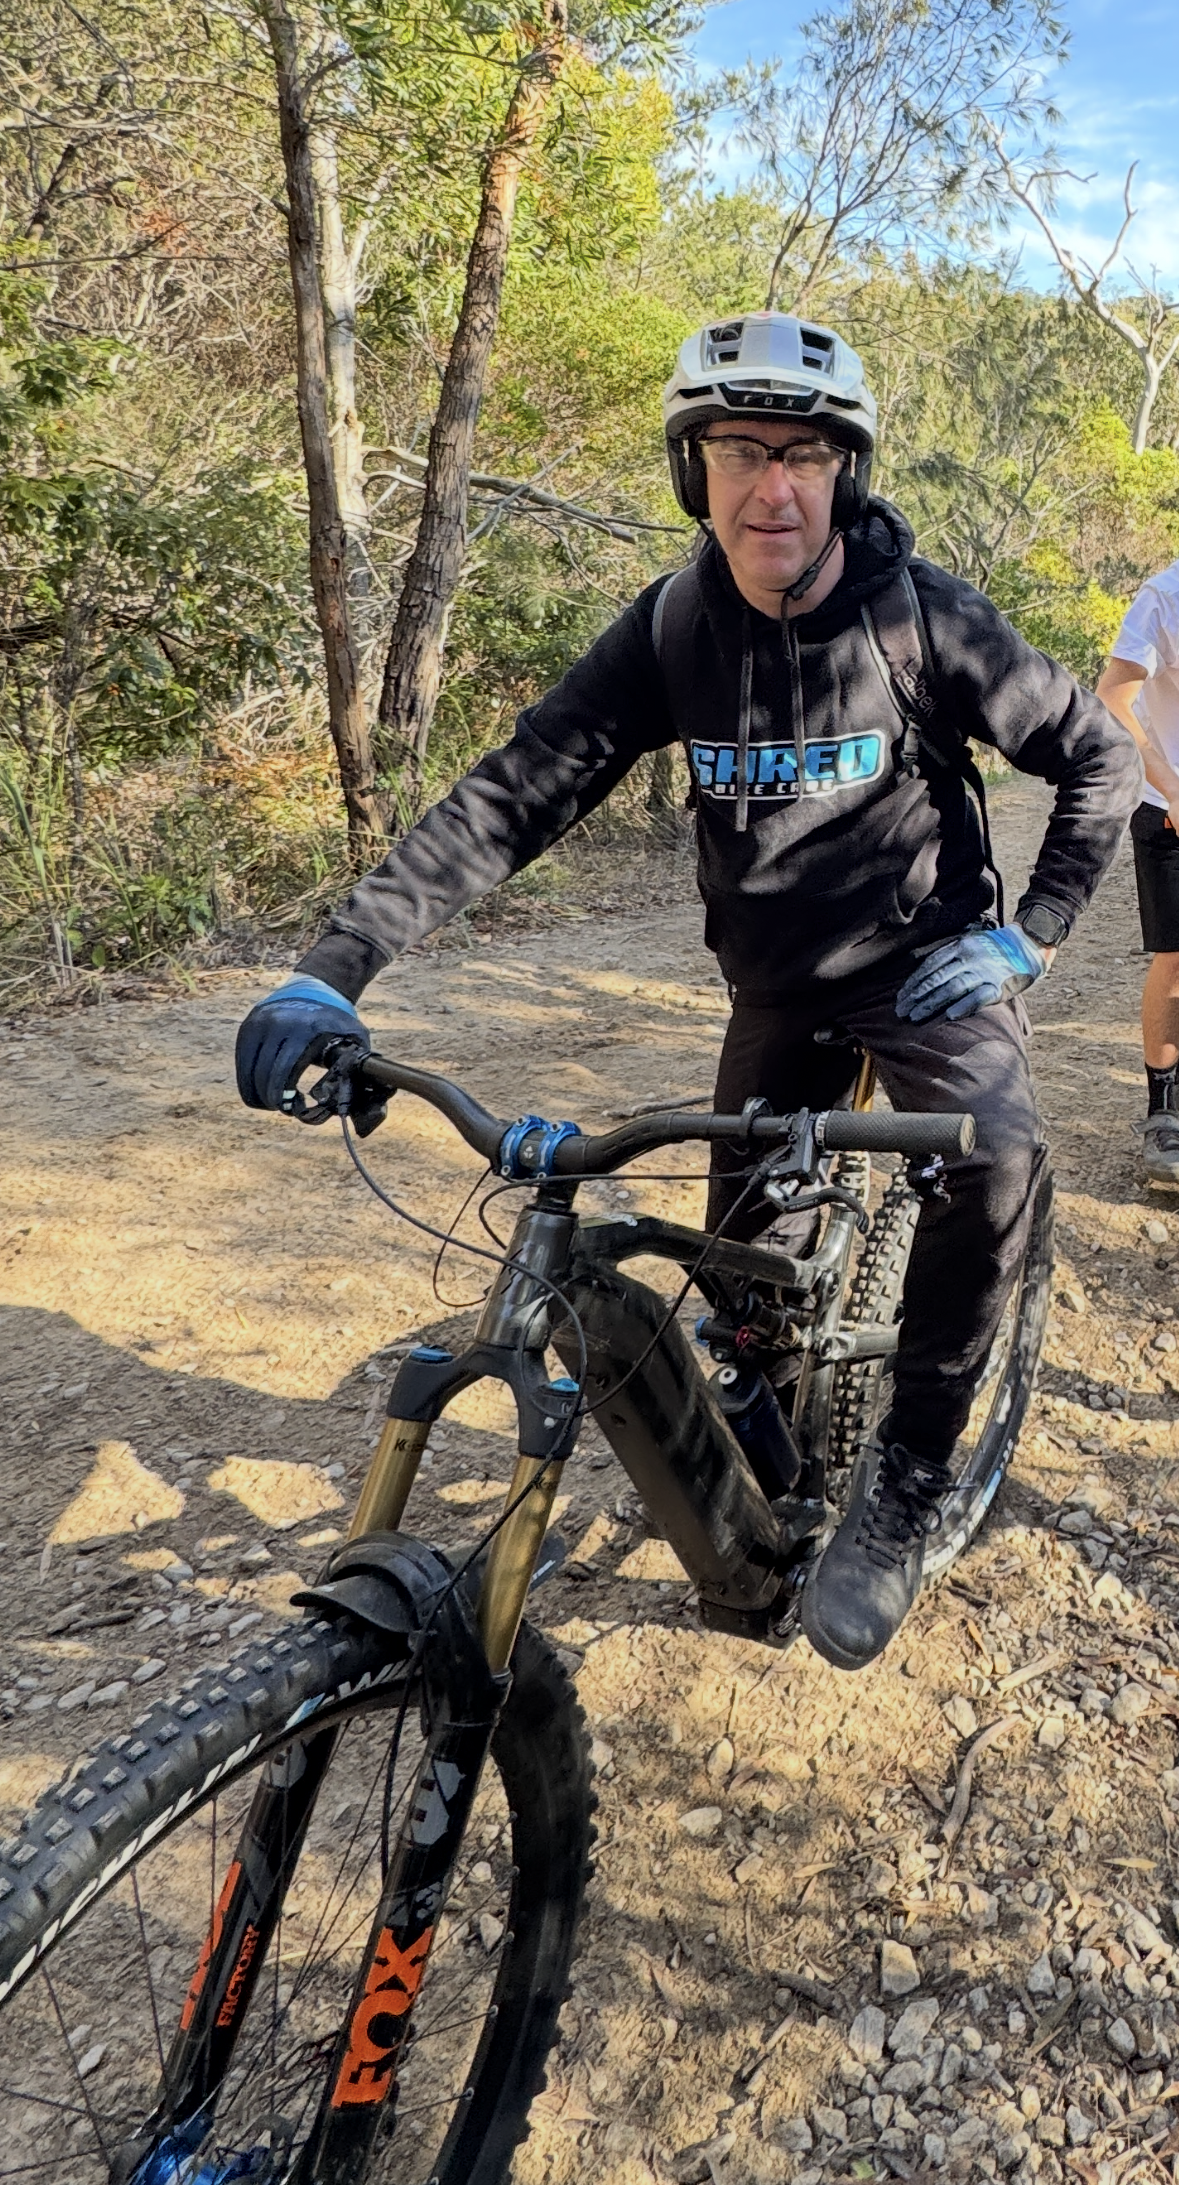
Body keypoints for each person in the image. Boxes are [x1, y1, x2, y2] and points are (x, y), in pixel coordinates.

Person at [236, 312, 1140, 1671]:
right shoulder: (672, 627)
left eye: (803, 454)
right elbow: (516, 792)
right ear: (690, 465)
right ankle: (769, 1465)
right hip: (776, 990)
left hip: (925, 972)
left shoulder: (919, 614)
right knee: (742, 1289)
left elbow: (1094, 757)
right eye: (736, 448)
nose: (770, 486)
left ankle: (900, 1482)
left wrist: (1030, 940)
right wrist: (330, 967)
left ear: (845, 471)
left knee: (995, 1157)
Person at [1097, 575, 1179, 1188]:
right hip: (1169, 803)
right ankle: (1165, 1111)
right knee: (1176, 960)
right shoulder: (1165, 597)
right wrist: (1173, 786)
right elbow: (1113, 698)